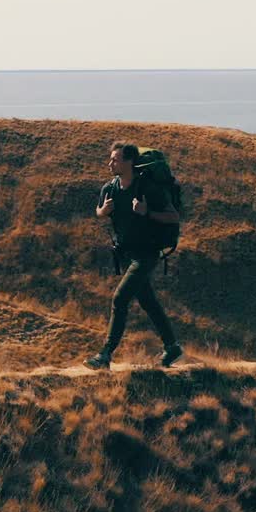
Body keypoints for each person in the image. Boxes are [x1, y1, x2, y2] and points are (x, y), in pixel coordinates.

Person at [85, 141, 183, 370]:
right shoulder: (109, 188)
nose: (110, 163)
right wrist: (103, 212)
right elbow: (99, 211)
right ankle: (172, 347)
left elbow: (173, 217)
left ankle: (105, 355)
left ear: (129, 162)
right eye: (111, 159)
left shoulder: (148, 188)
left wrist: (146, 212)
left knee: (120, 299)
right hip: (127, 254)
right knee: (148, 301)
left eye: (115, 159)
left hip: (147, 254)